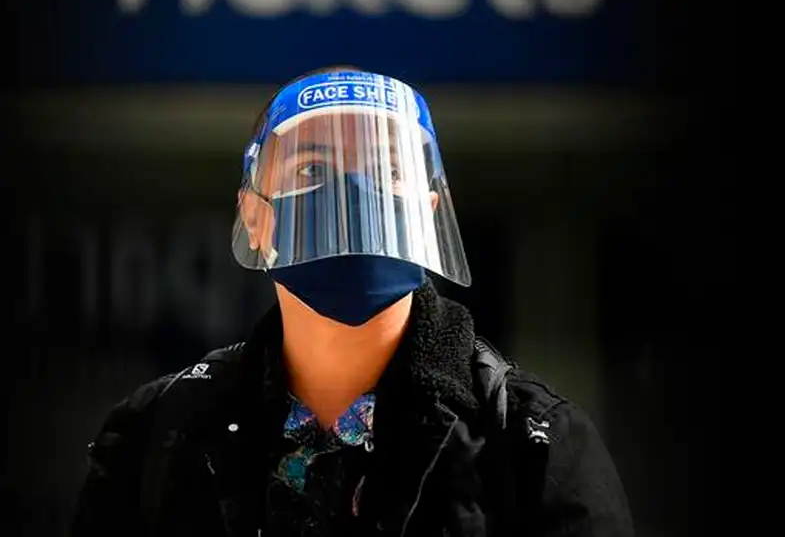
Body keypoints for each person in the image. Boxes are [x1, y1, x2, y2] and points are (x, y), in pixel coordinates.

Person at [71, 67, 633, 536]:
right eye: (312, 170)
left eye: (388, 171)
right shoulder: (157, 436)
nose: (353, 200)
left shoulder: (535, 443)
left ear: (429, 210)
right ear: (255, 216)